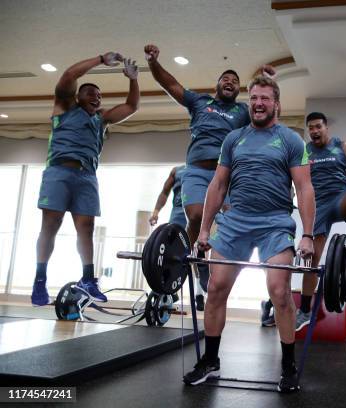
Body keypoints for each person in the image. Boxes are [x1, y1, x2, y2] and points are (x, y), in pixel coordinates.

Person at [186, 76, 315, 393]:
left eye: (265, 98)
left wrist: (308, 234)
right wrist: (204, 228)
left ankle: (288, 365)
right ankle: (211, 360)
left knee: (280, 292)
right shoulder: (234, 139)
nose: (258, 103)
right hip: (235, 222)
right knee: (215, 288)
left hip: (274, 222)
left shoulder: (291, 140)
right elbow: (217, 185)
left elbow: (304, 187)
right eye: (254, 98)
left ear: (277, 104)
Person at [32, 53, 139, 306]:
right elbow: (69, 75)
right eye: (90, 93)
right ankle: (39, 279)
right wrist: (101, 59)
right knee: (51, 225)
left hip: (87, 176)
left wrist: (133, 80)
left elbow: (132, 107)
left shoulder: (101, 120)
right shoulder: (64, 107)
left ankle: (88, 279)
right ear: (77, 97)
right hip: (58, 172)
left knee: (87, 229)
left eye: (99, 95)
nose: (96, 97)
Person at [144, 44, 250, 249]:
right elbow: (171, 85)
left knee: (230, 219)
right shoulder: (200, 102)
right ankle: (182, 258)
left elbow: (268, 113)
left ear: (238, 89)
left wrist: (268, 83)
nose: (230, 82)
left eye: (235, 82)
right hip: (196, 170)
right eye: (226, 79)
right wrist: (153, 62)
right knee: (195, 215)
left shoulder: (243, 111)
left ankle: (210, 254)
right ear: (217, 85)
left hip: (224, 174)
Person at [293, 111, 346, 331]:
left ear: (326, 128)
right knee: (311, 262)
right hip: (317, 207)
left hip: (340, 199)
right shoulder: (304, 152)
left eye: (318, 126)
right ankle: (306, 311)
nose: (314, 131)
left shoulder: (342, 146)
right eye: (311, 128)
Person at [149, 165, 208, 311]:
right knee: (172, 255)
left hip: (196, 217)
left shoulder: (204, 169)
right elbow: (164, 192)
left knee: (195, 255)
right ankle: (169, 288)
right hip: (177, 217)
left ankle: (199, 294)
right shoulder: (176, 171)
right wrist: (156, 211)